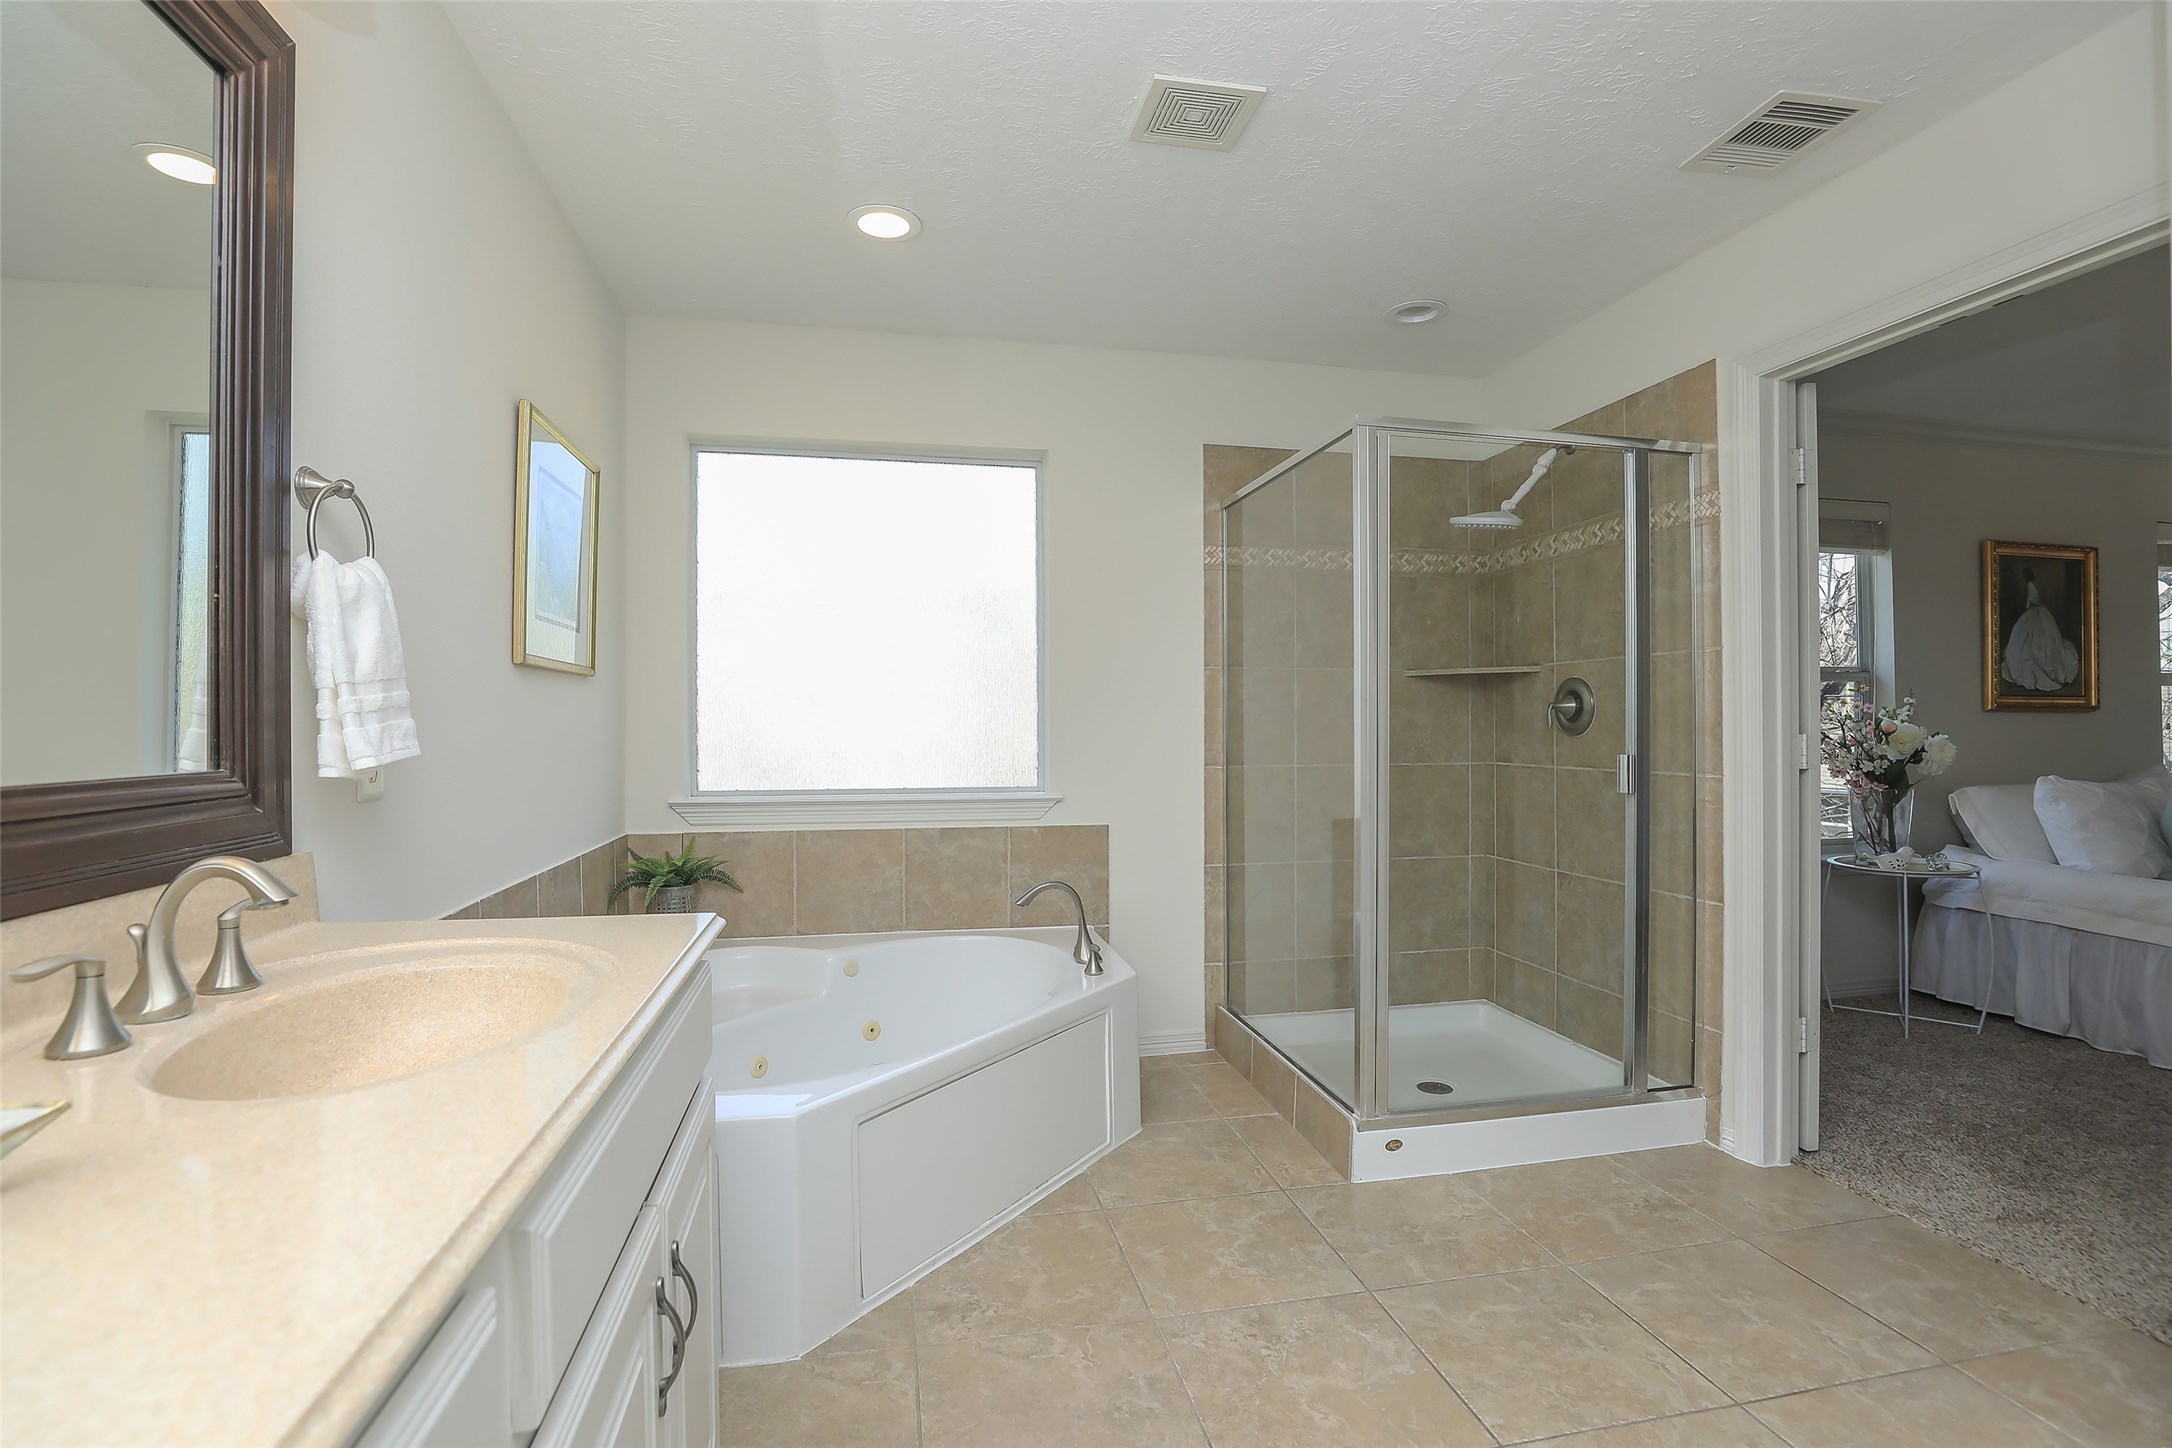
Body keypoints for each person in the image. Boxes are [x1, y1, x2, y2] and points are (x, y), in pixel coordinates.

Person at [2001, 566, 2079, 691]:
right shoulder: (2032, 585)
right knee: (2033, 641)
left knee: (2035, 641)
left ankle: (2039, 669)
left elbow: (2030, 602)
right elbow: (2034, 599)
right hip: (2038, 613)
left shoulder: (2030, 586)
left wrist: (2025, 607)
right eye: (2035, 572)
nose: (2037, 572)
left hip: (2036, 613)